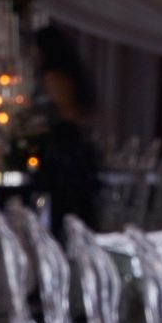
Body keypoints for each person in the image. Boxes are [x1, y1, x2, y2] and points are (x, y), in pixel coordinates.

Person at [29, 23, 101, 239]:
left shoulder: (54, 75)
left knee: (68, 205)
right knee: (74, 205)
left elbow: (64, 111)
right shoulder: (68, 72)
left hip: (64, 145)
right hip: (72, 142)